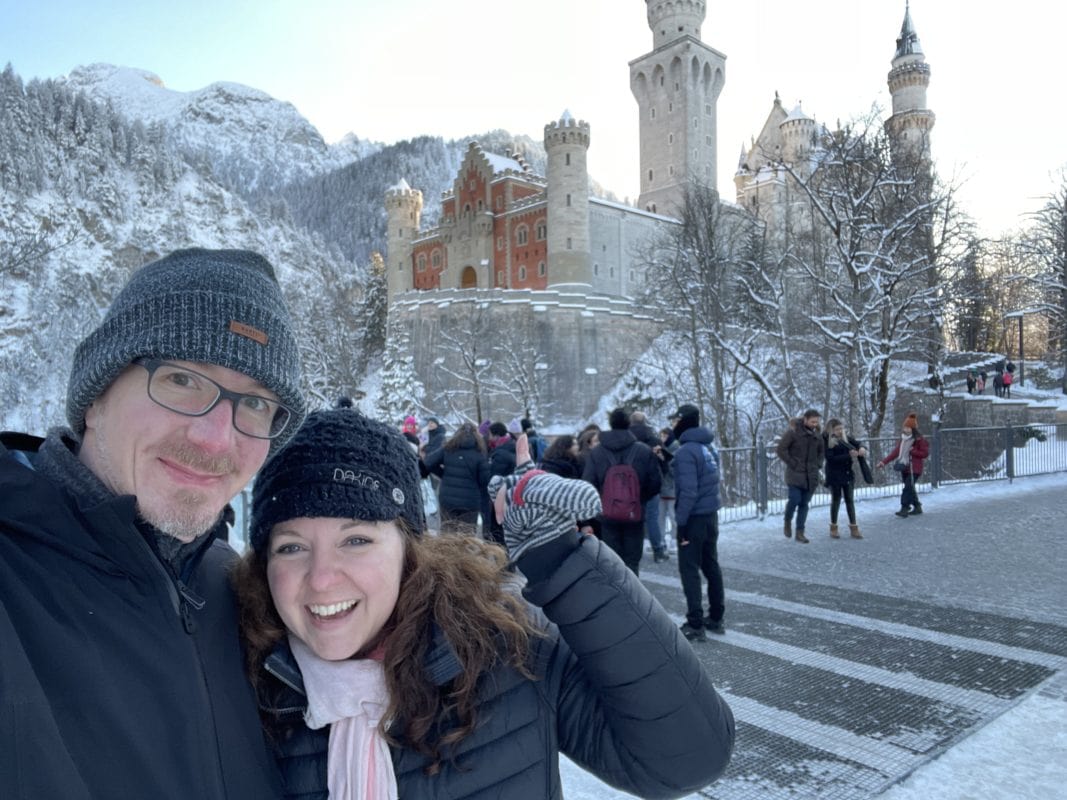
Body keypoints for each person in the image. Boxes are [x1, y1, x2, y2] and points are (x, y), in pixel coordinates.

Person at [233, 409, 735, 799]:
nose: (321, 579)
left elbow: (684, 760)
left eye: (356, 540)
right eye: (291, 547)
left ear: (411, 549)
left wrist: (562, 563)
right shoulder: (241, 682)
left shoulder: (503, 648)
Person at [0, 248, 306, 799]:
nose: (217, 438)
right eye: (182, 379)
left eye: (257, 404)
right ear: (96, 396)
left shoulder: (236, 589)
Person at [581, 407, 661, 574]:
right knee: (632, 561)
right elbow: (655, 483)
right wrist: (639, 499)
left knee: (612, 561)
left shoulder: (597, 452)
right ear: (628, 424)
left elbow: (588, 483)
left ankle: (616, 596)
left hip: (607, 515)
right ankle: (634, 595)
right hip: (635, 515)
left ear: (610, 424)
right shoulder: (643, 451)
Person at [671, 404, 725, 641]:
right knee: (711, 564)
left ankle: (695, 623)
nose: (673, 424)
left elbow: (689, 491)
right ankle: (716, 616)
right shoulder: (707, 447)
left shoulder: (686, 452)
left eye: (676, 420)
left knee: (689, 568)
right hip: (710, 514)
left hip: (693, 518)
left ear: (683, 422)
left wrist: (681, 523)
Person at [423, 421, 491, 533]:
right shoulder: (479, 453)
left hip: (447, 499)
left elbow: (429, 462)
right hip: (470, 502)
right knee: (467, 537)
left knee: (448, 535)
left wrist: (443, 474)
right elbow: (485, 480)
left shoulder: (448, 449)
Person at [775, 409, 824, 544]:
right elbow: (781, 449)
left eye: (817, 421)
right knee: (794, 500)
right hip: (795, 474)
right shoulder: (793, 432)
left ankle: (800, 532)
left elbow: (821, 452)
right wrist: (793, 463)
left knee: (804, 504)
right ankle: (787, 520)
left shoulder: (817, 436)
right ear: (805, 419)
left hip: (811, 475)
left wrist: (818, 465)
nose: (815, 424)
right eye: (813, 421)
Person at [631, 410, 669, 562]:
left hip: (630, 485)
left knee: (633, 519)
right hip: (652, 484)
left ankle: (634, 550)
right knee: (652, 518)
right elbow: (664, 462)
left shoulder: (627, 440)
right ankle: (658, 551)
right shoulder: (654, 440)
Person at [877, 412, 930, 518]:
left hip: (914, 468)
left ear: (913, 429)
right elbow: (895, 453)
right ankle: (917, 506)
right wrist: (884, 462)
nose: (905, 430)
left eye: (908, 428)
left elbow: (925, 453)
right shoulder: (903, 440)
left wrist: (913, 451)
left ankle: (904, 508)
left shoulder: (919, 440)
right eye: (905, 427)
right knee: (910, 487)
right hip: (904, 467)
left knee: (907, 488)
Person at [823, 418, 865, 539]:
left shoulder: (846, 438)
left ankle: (854, 527)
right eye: (837, 429)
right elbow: (830, 458)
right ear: (831, 430)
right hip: (834, 475)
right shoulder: (826, 441)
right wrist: (848, 455)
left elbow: (858, 443)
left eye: (841, 428)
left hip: (847, 473)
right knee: (836, 501)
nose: (840, 431)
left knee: (850, 500)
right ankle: (834, 527)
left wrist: (862, 448)